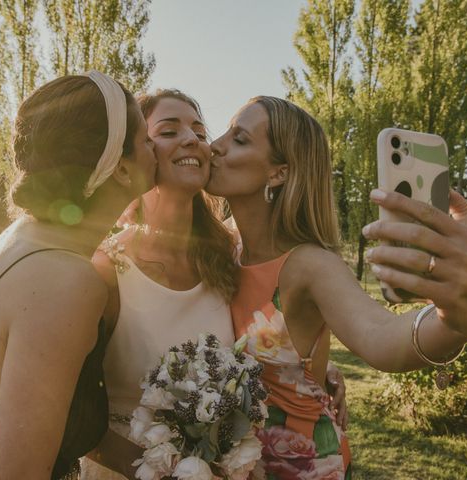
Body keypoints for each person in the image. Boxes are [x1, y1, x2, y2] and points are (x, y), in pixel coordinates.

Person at [207, 96, 467, 479]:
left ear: (279, 173)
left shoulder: (310, 264)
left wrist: (457, 321)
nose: (215, 145)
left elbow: (381, 336)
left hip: (302, 465)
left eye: (239, 139)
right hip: (236, 464)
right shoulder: (226, 246)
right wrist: (320, 368)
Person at [82, 90, 349, 479]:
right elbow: (69, 412)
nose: (194, 139)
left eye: (200, 131)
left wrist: (317, 370)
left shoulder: (229, 253)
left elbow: (272, 315)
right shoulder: (106, 269)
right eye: (168, 130)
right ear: (137, 151)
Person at [0, 71, 157, 480]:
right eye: (147, 140)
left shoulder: (22, 237)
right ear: (120, 169)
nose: (156, 146)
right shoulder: (66, 280)